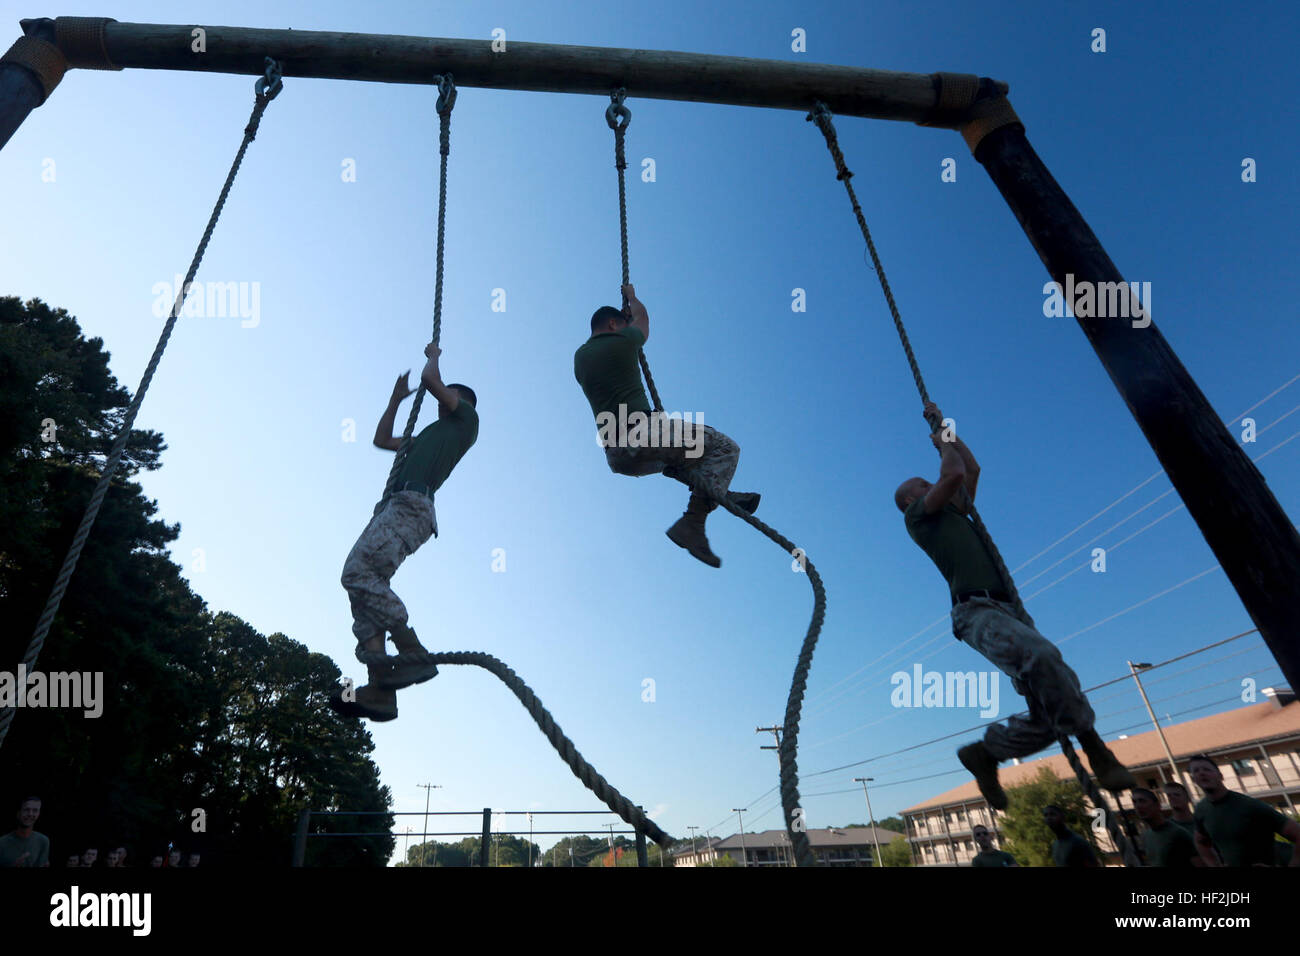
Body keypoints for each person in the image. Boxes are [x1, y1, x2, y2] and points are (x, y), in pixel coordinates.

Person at [896, 402, 1134, 809]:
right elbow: (953, 474)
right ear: (911, 499)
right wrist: (941, 446)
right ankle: (1095, 748)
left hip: (1008, 609)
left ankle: (986, 753)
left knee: (1052, 705)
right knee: (1042, 656)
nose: (929, 482)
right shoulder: (918, 517)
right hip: (976, 612)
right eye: (922, 483)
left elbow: (971, 469)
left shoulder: (957, 510)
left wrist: (946, 431)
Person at [335, 343, 479, 721]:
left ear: (462, 401)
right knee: (365, 591)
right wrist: (396, 400)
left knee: (356, 572)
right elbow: (382, 440)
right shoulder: (426, 436)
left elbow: (431, 380)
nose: (440, 398)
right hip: (397, 506)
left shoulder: (466, 422)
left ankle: (411, 651)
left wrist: (434, 355)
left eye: (450, 393)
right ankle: (381, 688)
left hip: (412, 506)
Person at [574, 284, 759, 568]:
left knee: (683, 460)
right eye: (621, 325)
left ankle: (718, 492)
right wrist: (632, 298)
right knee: (724, 447)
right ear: (613, 325)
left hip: (619, 456)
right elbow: (644, 320)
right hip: (640, 434)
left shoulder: (580, 359)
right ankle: (693, 522)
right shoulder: (622, 341)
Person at [1187, 754, 1300, 866]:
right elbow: (1201, 842)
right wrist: (1214, 864)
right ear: (1194, 780)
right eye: (1196, 771)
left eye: (1206, 769)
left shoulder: (1249, 805)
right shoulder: (1201, 810)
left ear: (1220, 776)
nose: (1201, 773)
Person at [1131, 788, 1197, 868]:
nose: (1138, 806)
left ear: (1157, 805)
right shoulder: (1146, 836)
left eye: (1142, 801)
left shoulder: (1178, 833)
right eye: (1134, 802)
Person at [0, 796, 50, 868]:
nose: (30, 814)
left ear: (39, 813)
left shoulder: (43, 841)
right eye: (26, 809)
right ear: (18, 812)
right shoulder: (2, 843)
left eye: (35, 810)